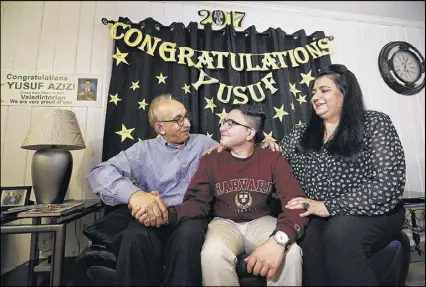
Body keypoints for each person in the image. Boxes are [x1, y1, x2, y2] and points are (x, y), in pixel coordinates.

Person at [87, 94, 280, 286]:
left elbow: (242, 153)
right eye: (178, 120)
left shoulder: (204, 144)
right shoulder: (142, 151)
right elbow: (99, 173)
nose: (187, 123)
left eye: (186, 117)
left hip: (191, 216)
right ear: (160, 128)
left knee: (189, 235)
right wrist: (135, 195)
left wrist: (263, 146)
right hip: (154, 216)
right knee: (134, 237)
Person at [136, 105, 308, 286]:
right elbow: (197, 203)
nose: (222, 127)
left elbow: (295, 202)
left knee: (291, 253)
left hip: (261, 220)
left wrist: (279, 240)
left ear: (250, 133)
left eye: (231, 123)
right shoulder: (211, 159)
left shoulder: (271, 158)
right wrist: (166, 214)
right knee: (212, 254)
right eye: (223, 122)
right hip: (223, 222)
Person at [280, 64, 406, 286]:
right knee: (308, 239)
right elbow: (271, 157)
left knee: (340, 234)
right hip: (322, 215)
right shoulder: (301, 134)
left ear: (345, 93)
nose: (316, 96)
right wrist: (230, 148)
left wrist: (327, 206)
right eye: (313, 92)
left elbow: (388, 184)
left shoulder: (375, 123)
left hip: (374, 211)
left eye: (324, 90)